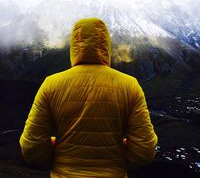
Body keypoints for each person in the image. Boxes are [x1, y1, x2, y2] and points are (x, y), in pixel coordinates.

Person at [20, 17, 158, 178]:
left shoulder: (50, 85)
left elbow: (31, 148)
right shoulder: (130, 86)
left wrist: (57, 153)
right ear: (106, 45)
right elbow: (145, 151)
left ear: (74, 45)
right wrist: (118, 156)